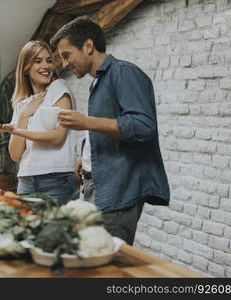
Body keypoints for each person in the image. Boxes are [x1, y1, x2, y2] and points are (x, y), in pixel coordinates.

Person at [50, 16, 170, 245]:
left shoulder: (124, 73)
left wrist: (86, 122)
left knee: (107, 268)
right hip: (96, 184)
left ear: (88, 46)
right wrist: (87, 159)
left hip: (118, 189)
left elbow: (143, 126)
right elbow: (108, 122)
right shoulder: (98, 80)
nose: (64, 64)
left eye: (66, 55)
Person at [0, 40, 78, 204]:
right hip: (26, 181)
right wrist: (24, 116)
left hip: (57, 179)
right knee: (27, 229)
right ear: (26, 68)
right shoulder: (22, 105)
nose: (46, 66)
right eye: (38, 61)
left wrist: (16, 130)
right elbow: (16, 154)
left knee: (56, 230)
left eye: (49, 60)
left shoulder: (58, 88)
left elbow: (57, 137)